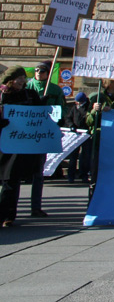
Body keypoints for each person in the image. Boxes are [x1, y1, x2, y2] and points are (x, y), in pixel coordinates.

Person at [0, 66, 43, 227]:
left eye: (24, 78)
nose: (22, 81)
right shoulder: (2, 95)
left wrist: (44, 108)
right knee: (8, 180)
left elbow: (39, 116)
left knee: (12, 179)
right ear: (10, 79)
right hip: (2, 142)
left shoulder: (29, 95)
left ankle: (7, 215)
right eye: (19, 78)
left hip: (19, 144)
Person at [26, 61, 65, 218]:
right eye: (36, 70)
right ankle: (9, 211)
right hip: (25, 135)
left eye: (42, 71)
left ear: (47, 74)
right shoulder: (27, 88)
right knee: (15, 176)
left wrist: (59, 120)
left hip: (43, 135)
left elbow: (61, 109)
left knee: (38, 173)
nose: (38, 73)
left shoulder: (55, 90)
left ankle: (36, 207)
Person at [64, 92, 92, 184]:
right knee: (73, 156)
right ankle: (71, 176)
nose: (77, 104)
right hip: (75, 134)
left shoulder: (88, 107)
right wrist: (71, 125)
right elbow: (68, 118)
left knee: (85, 156)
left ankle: (84, 175)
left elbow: (88, 118)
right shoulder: (74, 108)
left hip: (86, 134)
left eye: (79, 102)